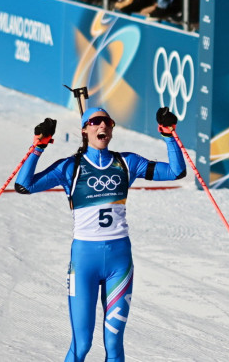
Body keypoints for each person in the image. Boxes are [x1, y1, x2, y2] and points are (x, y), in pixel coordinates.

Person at [14, 106, 186, 362]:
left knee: (114, 344)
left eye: (107, 121)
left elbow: (175, 172)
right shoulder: (70, 167)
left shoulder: (127, 163)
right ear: (85, 130)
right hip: (85, 262)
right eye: (94, 121)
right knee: (82, 343)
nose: (102, 125)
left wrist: (169, 135)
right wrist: (38, 146)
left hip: (120, 263)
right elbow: (24, 185)